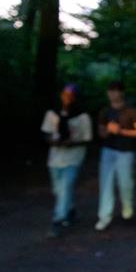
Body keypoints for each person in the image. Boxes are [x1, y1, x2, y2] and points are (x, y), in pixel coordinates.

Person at [40, 84, 93, 238]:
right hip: (55, 158)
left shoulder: (82, 117)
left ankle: (57, 220)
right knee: (58, 189)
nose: (67, 98)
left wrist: (72, 143)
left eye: (70, 95)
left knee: (65, 186)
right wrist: (54, 141)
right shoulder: (52, 114)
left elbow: (87, 138)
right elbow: (46, 133)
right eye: (65, 94)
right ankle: (69, 209)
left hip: (73, 157)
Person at [95, 81, 136, 231]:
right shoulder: (105, 111)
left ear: (121, 93)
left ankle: (127, 212)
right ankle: (104, 216)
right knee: (105, 183)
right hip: (108, 150)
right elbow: (101, 133)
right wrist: (108, 131)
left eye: (114, 91)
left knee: (125, 183)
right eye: (109, 91)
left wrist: (121, 131)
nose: (111, 94)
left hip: (126, 151)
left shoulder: (131, 111)